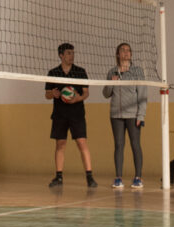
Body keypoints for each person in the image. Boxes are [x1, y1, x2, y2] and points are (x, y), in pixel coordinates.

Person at [45, 43, 98, 188]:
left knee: (82, 143)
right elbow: (47, 94)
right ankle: (59, 177)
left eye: (72, 53)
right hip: (59, 114)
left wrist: (77, 98)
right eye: (68, 53)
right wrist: (53, 94)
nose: (71, 55)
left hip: (77, 114)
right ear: (61, 55)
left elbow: (86, 93)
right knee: (60, 144)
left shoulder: (80, 71)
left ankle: (89, 177)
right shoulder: (53, 72)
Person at [102, 43, 149, 190]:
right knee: (119, 145)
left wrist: (141, 115)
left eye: (128, 50)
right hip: (116, 114)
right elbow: (106, 94)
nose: (126, 53)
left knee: (135, 145)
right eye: (123, 50)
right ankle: (118, 178)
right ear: (118, 54)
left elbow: (142, 95)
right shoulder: (112, 72)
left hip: (133, 115)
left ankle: (138, 177)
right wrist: (112, 83)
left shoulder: (137, 71)